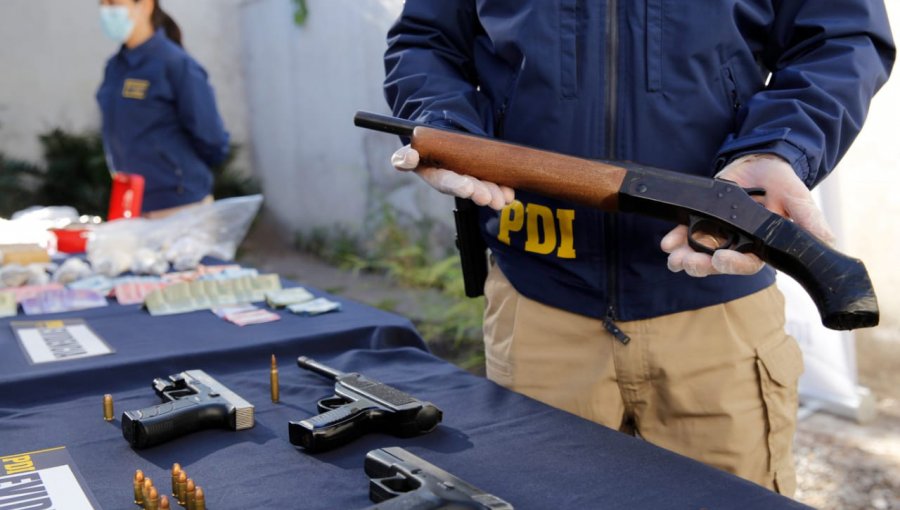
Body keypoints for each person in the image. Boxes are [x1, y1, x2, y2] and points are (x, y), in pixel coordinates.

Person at [384, 1, 894, 496]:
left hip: (719, 313)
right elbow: (425, 42)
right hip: (536, 303)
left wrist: (780, 148)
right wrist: (442, 122)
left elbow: (842, 37)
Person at [96, 0, 229, 219]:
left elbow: (211, 137)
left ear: (146, 5)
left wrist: (177, 175)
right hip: (133, 202)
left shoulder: (175, 63)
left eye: (114, 3)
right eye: (103, 4)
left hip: (179, 205)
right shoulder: (115, 67)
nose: (106, 11)